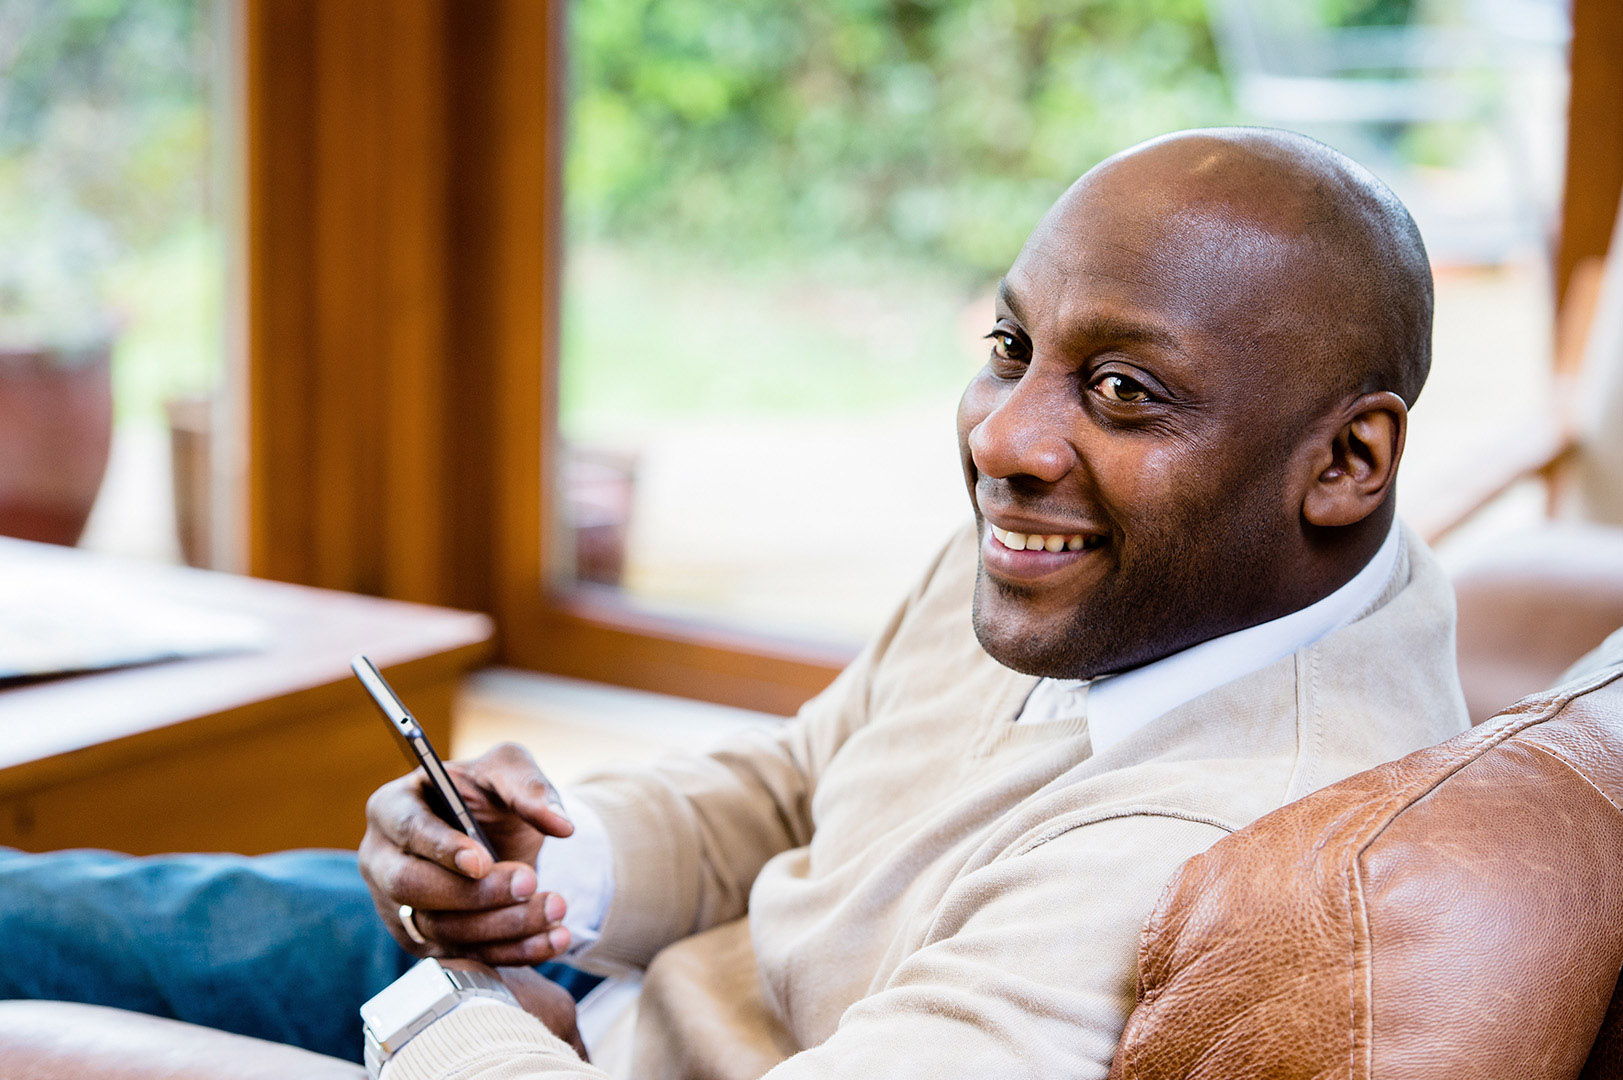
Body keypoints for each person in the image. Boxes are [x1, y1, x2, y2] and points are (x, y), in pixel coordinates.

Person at [0, 127, 1468, 1080]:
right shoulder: (1133, 575)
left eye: (1125, 391)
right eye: (1013, 347)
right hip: (593, 976)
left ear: (1348, 462)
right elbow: (797, 787)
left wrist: (457, 1013)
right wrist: (546, 869)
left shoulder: (1212, 843)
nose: (1005, 442)